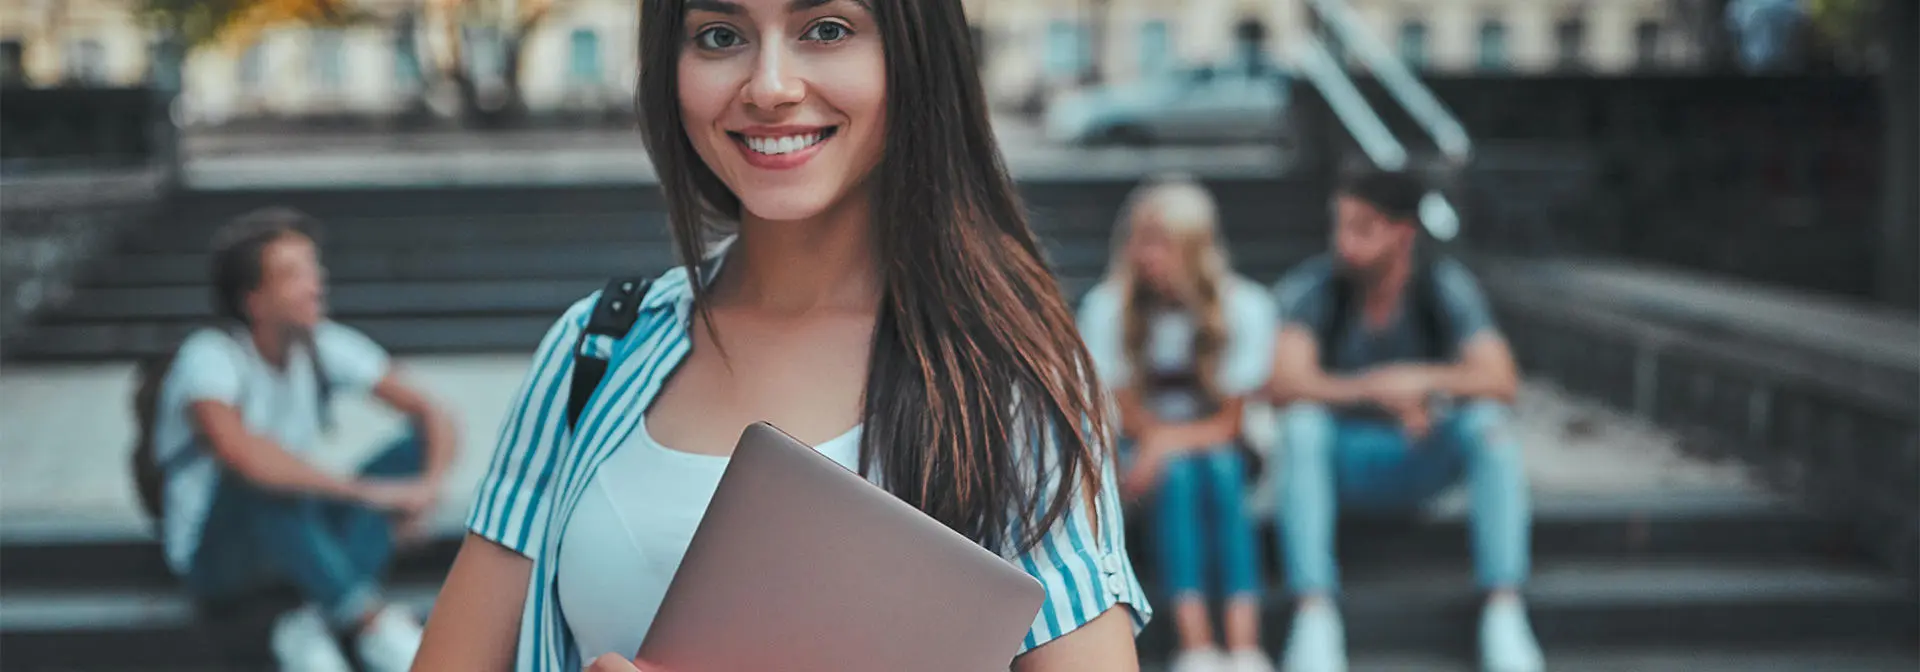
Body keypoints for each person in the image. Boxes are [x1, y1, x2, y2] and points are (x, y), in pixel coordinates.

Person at [413, 0, 1150, 669]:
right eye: (719, 36)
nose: (769, 86)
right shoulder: (597, 347)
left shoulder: (1008, 376)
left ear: (916, 53)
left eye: (826, 30)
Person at [149, 208, 459, 672]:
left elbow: (435, 415)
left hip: (292, 534)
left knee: (410, 453)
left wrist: (426, 490)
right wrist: (372, 493)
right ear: (254, 298)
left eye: (314, 268)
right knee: (266, 478)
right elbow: (244, 458)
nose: (316, 283)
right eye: (293, 274)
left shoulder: (323, 344)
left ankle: (312, 620)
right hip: (217, 555)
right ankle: (369, 622)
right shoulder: (209, 358)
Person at [1265, 170, 1541, 672]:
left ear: (1403, 234)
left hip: (1419, 454)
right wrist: (1375, 388)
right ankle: (1314, 612)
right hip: (1343, 459)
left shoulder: (1443, 287)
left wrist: (1421, 381)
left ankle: (1503, 608)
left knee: (1491, 426)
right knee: (1301, 428)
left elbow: (1502, 379)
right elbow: (1284, 382)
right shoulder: (1317, 288)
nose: (1345, 243)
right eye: (1340, 226)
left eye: (1362, 228)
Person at [1076, 177, 1275, 672]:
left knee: (1218, 470)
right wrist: (1162, 446)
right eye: (1140, 240)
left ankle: (1243, 640)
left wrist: (1166, 443)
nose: (1145, 255)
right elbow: (1122, 408)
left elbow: (1231, 422)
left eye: (1160, 242)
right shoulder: (1109, 307)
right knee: (1182, 477)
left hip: (1218, 450)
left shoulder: (1243, 306)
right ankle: (1196, 642)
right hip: (1140, 451)